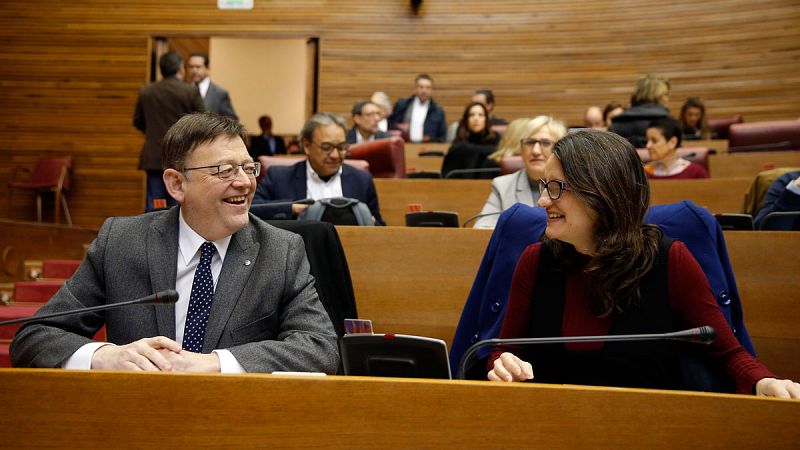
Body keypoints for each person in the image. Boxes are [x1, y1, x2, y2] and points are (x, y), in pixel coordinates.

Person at [11, 112, 339, 374]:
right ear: (176, 184)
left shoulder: (281, 251)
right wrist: (105, 356)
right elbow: (34, 337)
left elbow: (319, 348)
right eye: (224, 171)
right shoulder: (122, 242)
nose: (243, 182)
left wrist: (216, 362)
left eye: (248, 167)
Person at [486, 130, 800, 399]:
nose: (542, 201)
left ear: (602, 192)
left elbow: (726, 352)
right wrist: (502, 364)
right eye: (544, 186)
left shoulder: (670, 260)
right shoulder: (535, 260)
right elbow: (506, 350)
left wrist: (765, 381)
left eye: (555, 187)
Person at [253, 112, 384, 225]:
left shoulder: (361, 179)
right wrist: (292, 208)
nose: (335, 155)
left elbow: (379, 225)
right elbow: (252, 208)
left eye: (341, 148)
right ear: (306, 146)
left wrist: (367, 220)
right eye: (326, 147)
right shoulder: (279, 177)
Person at [133, 51, 205, 212]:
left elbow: (137, 121)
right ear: (180, 68)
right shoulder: (189, 91)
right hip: (182, 155)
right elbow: (202, 121)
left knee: (156, 201)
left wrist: (152, 132)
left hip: (154, 155)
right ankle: (175, 235)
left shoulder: (147, 91)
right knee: (177, 198)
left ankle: (154, 234)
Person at [474, 116, 566, 228]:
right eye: (530, 143)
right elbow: (482, 227)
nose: (535, 151)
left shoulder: (572, 187)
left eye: (545, 143)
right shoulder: (503, 186)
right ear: (521, 149)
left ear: (561, 150)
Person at [609, 75, 673, 148]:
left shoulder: (616, 124)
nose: (667, 99)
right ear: (656, 95)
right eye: (665, 95)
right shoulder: (668, 123)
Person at [388, 74, 447, 142]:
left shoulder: (438, 111)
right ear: (415, 88)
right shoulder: (402, 105)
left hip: (428, 148)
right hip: (405, 145)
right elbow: (391, 126)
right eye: (421, 87)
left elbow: (442, 136)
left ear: (431, 90)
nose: (424, 91)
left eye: (427, 87)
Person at [644, 117, 708, 179]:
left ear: (672, 142)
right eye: (647, 141)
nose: (648, 145)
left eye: (654, 141)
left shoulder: (697, 173)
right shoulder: (643, 173)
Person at [186, 52, 238, 121]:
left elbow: (232, 120)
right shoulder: (182, 90)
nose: (194, 70)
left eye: (198, 67)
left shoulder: (220, 93)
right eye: (191, 67)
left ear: (207, 67)